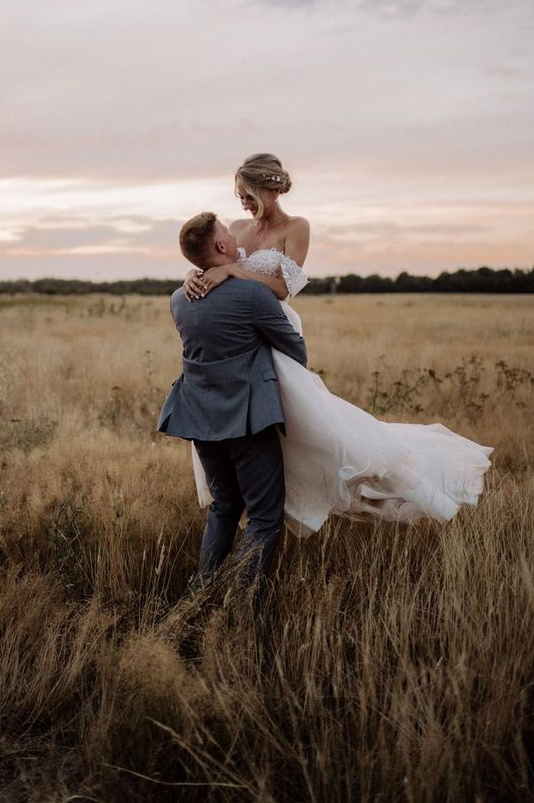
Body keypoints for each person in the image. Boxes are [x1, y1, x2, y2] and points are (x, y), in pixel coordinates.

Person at [183, 153, 493, 534]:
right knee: (258, 424)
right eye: (238, 196)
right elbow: (211, 263)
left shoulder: (297, 227)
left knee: (309, 425)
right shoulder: (235, 228)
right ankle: (267, 504)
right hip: (241, 334)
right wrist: (192, 276)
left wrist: (235, 270)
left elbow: (285, 287)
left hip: (276, 327)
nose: (242, 203)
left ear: (268, 189)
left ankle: (369, 483)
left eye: (246, 194)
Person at [158, 212, 307, 591]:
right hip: (246, 418)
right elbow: (295, 349)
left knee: (224, 507)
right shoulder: (253, 294)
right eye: (227, 232)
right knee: (264, 516)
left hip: (197, 417)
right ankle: (241, 603)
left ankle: (203, 594)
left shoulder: (179, 299)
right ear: (222, 246)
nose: (235, 235)